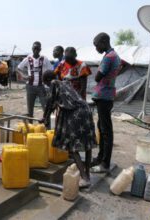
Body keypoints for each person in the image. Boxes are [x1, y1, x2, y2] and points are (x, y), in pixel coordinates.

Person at [42, 70, 95, 187]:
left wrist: (44, 118)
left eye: (45, 83)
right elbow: (59, 102)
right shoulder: (65, 83)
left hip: (75, 114)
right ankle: (87, 175)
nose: (46, 86)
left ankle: (84, 178)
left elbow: (50, 102)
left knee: (72, 147)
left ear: (47, 81)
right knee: (87, 144)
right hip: (86, 110)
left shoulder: (54, 83)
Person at [90, 32, 122, 173]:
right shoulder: (114, 55)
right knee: (102, 128)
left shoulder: (109, 57)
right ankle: (100, 157)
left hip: (104, 96)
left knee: (106, 130)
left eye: (97, 45)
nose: (96, 48)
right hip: (106, 96)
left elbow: (97, 77)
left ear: (103, 42)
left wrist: (99, 70)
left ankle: (105, 164)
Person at [17, 41, 52, 119]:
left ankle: (47, 127)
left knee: (45, 108)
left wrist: (47, 80)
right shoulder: (28, 58)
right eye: (34, 48)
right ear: (32, 49)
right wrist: (24, 76)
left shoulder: (44, 59)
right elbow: (18, 68)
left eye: (37, 48)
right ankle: (30, 126)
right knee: (30, 109)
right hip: (30, 87)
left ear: (40, 49)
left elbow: (51, 70)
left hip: (41, 86)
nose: (36, 50)